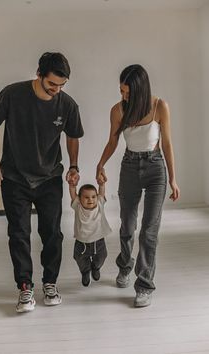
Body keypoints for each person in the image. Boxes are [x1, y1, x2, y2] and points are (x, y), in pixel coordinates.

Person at [0, 52, 84, 313]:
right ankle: (25, 287)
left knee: (52, 233)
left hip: (50, 177)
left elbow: (73, 135)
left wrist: (73, 166)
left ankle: (50, 282)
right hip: (15, 177)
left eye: (62, 85)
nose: (56, 90)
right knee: (19, 234)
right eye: (52, 84)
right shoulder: (12, 94)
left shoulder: (67, 105)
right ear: (38, 74)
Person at [96, 64, 180, 307]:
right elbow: (112, 141)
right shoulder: (118, 110)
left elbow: (167, 144)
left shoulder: (159, 107)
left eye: (128, 92)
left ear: (141, 90)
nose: (123, 96)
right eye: (121, 91)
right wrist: (100, 163)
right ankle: (125, 266)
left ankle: (144, 285)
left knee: (148, 231)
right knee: (128, 226)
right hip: (130, 167)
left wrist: (173, 178)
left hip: (156, 169)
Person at [69, 183, 112, 287]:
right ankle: (85, 271)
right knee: (80, 260)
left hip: (99, 241)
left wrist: (102, 184)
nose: (90, 200)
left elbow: (101, 192)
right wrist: (72, 185)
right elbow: (73, 194)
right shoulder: (77, 206)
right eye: (86, 197)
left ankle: (95, 268)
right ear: (79, 199)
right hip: (81, 243)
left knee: (101, 257)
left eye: (93, 197)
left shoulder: (99, 204)